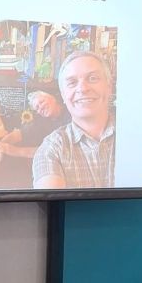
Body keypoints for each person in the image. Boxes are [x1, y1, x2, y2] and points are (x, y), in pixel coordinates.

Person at [32, 51, 115, 189]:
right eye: (72, 83)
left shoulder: (140, 136)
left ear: (109, 87)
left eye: (93, 78)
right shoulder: (51, 149)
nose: (82, 88)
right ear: (63, 95)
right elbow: (52, 203)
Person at [0, 90, 68, 163]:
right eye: (37, 108)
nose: (41, 108)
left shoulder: (71, 113)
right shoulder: (41, 120)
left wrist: (14, 150)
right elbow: (19, 134)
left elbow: (53, 151)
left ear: (53, 98)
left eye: (42, 102)